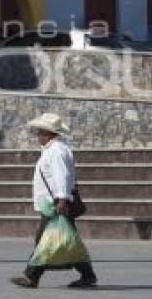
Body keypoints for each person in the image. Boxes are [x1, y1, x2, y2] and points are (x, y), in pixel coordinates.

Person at [11, 112, 98, 289]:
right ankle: (87, 275)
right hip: (55, 202)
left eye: (40, 132)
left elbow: (62, 176)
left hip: (57, 203)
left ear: (47, 133)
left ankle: (32, 276)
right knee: (67, 240)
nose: (38, 136)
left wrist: (62, 200)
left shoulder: (56, 151)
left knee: (45, 239)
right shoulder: (53, 149)